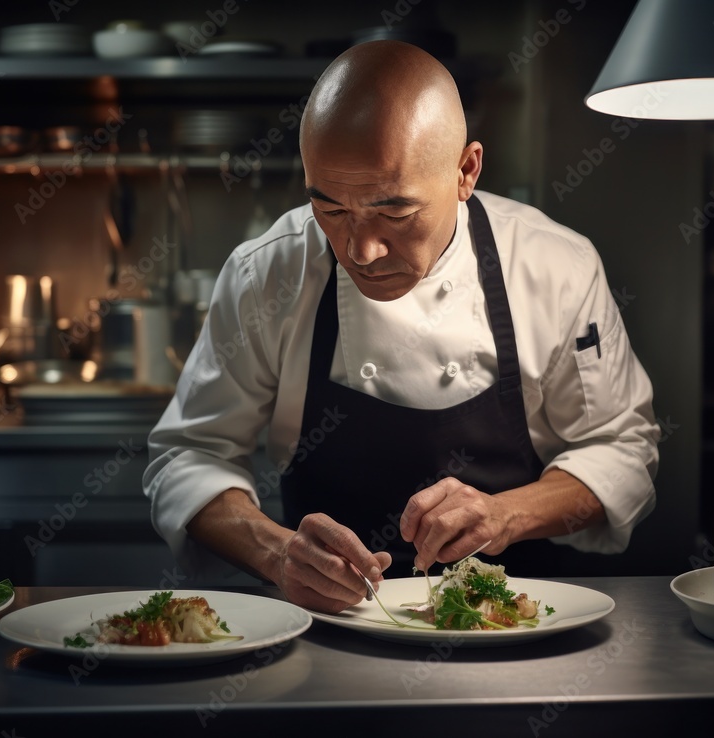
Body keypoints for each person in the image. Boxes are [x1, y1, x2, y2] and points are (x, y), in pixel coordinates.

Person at [144, 40, 659, 614]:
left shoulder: (555, 266)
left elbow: (622, 449)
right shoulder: (268, 272)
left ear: (466, 171)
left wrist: (508, 513)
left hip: (521, 635)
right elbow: (188, 456)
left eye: (395, 213)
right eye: (332, 210)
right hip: (325, 633)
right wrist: (275, 552)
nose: (361, 250)